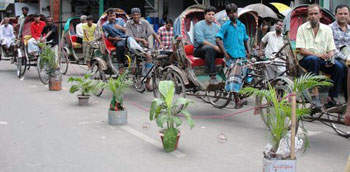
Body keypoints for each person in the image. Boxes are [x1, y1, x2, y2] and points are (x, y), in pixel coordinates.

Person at [296, 4, 346, 109]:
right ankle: (315, 94)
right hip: (306, 59)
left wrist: (331, 59)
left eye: (315, 13)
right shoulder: (302, 29)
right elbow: (302, 50)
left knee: (340, 67)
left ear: (320, 15)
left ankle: (331, 97)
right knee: (314, 60)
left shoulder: (327, 29)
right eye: (311, 14)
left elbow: (331, 48)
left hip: (323, 59)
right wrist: (319, 55)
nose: (313, 16)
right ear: (308, 16)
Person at [216, 3, 250, 109]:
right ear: (228, 14)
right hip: (231, 56)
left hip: (241, 55)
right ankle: (237, 101)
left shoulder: (242, 26)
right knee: (235, 77)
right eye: (231, 13)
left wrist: (248, 50)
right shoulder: (226, 25)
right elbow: (218, 39)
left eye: (235, 12)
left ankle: (239, 95)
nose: (233, 14)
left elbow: (245, 39)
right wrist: (225, 53)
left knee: (246, 75)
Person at [125, 7, 164, 91]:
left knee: (151, 59)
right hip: (133, 45)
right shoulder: (128, 23)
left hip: (144, 46)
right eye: (134, 15)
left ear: (140, 15)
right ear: (131, 15)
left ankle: (148, 81)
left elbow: (153, 33)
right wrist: (141, 39)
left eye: (137, 14)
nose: (135, 16)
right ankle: (139, 75)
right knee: (129, 40)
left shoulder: (145, 22)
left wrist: (160, 43)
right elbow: (130, 37)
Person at [329, 4, 350, 125]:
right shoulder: (329, 28)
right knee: (344, 68)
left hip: (348, 56)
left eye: (345, 14)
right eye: (340, 13)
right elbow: (331, 47)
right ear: (336, 15)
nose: (343, 16)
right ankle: (345, 100)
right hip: (335, 56)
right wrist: (346, 57)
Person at [194, 6, 222, 85]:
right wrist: (215, 47)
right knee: (210, 48)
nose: (211, 16)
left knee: (228, 50)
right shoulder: (199, 25)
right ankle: (212, 76)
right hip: (200, 49)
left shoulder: (217, 27)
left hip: (214, 49)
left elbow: (220, 39)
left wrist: (222, 48)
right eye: (209, 14)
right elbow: (201, 40)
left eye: (213, 14)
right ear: (205, 15)